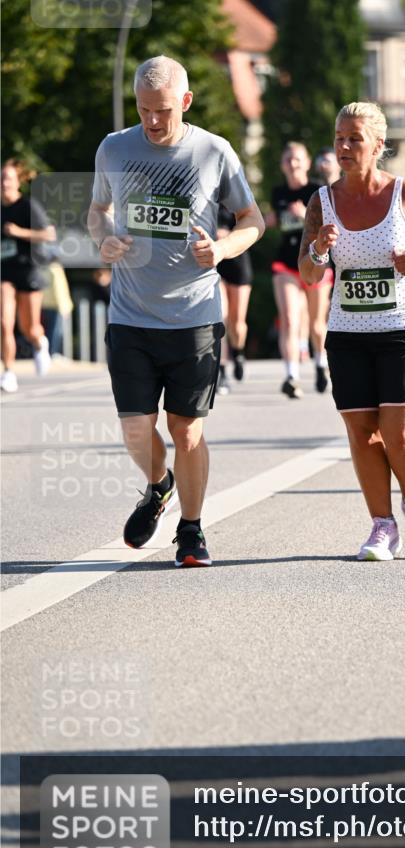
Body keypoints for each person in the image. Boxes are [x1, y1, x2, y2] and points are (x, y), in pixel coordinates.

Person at [87, 55, 264, 567]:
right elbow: (97, 212)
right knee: (136, 429)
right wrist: (104, 241)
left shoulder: (213, 151)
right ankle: (157, 485)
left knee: (187, 429)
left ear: (185, 102)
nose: (153, 121)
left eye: (163, 110)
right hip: (130, 315)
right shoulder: (114, 148)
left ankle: (191, 530)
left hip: (194, 317)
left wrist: (225, 249)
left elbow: (253, 219)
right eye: (144, 110)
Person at [299, 101, 405, 561]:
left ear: (378, 146)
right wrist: (320, 248)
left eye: (354, 139)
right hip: (348, 332)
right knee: (363, 433)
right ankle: (382, 527)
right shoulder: (322, 202)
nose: (343, 146)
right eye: (339, 137)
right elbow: (306, 273)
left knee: (399, 432)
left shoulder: (403, 192)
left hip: (402, 327)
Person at [267, 142, 333, 399]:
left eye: (297, 159)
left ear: (307, 163)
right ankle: (292, 375)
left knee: (317, 325)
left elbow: (329, 224)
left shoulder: (317, 191)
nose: (293, 164)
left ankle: (320, 365)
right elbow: (275, 221)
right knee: (290, 320)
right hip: (286, 263)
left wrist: (305, 214)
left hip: (315, 261)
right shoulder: (278, 192)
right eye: (288, 160)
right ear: (283, 165)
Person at [1, 158, 55, 392]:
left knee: (29, 327)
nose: (4, 183)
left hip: (28, 269)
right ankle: (8, 372)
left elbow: (49, 234)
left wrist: (19, 232)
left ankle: (39, 343)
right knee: (4, 322)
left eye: (8, 179)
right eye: (1, 179)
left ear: (18, 182)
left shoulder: (27, 206)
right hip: (5, 271)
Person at [215, 205, 253, 394]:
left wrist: (229, 236)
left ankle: (238, 353)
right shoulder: (202, 193)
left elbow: (252, 226)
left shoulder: (237, 195)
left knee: (237, 323)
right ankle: (221, 372)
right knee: (220, 316)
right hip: (214, 262)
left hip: (237, 262)